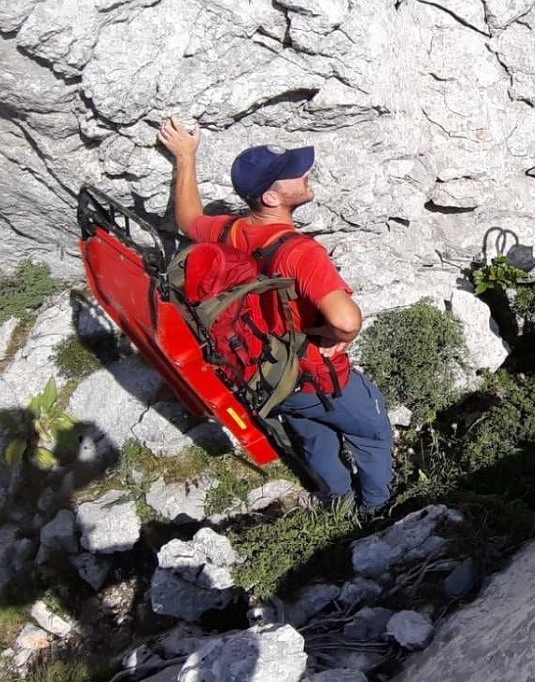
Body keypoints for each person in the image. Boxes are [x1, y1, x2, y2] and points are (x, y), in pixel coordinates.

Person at [157, 117, 394, 510]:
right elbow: (346, 319)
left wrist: (186, 157)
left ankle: (339, 505)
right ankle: (378, 511)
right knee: (372, 435)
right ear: (271, 197)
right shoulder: (302, 253)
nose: (305, 173)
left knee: (315, 440)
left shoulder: (231, 231)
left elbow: (187, 219)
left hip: (269, 378)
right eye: (293, 175)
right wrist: (336, 337)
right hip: (317, 375)